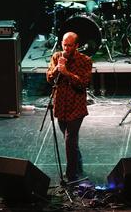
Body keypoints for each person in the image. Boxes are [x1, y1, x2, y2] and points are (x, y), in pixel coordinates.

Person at [46, 32, 93, 182]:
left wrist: (67, 73)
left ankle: (71, 175)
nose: (66, 48)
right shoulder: (56, 57)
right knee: (71, 141)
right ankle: (77, 163)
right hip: (60, 106)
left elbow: (84, 83)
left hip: (76, 106)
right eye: (64, 45)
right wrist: (56, 69)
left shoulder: (85, 60)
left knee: (69, 139)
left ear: (76, 46)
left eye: (70, 45)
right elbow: (49, 78)